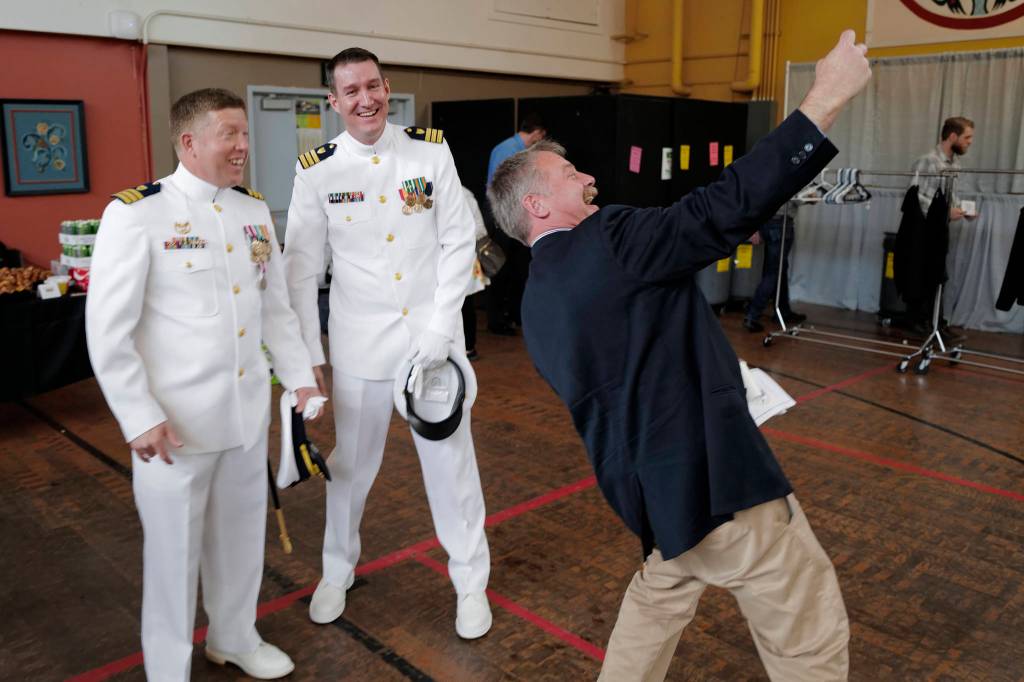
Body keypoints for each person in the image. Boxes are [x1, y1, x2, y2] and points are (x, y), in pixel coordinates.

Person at [487, 30, 872, 681]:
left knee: (657, 601)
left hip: (653, 496)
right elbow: (721, 209)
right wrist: (824, 99)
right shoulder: (611, 240)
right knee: (807, 629)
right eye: (570, 175)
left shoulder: (536, 305)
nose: (589, 178)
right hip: (718, 485)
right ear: (536, 204)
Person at [85, 88, 323, 681]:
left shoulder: (251, 211)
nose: (243, 146)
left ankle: (234, 637)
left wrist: (299, 379)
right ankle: (169, 669)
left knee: (240, 539)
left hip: (244, 417)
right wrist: (137, 414)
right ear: (189, 142)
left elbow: (275, 309)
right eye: (229, 135)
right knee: (173, 556)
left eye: (244, 133)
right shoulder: (137, 214)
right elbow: (108, 331)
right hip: (175, 427)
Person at [282, 47, 492, 639]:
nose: (365, 100)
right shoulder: (317, 170)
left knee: (451, 468)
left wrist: (440, 327)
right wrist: (309, 357)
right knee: (350, 467)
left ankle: (470, 583)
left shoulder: (430, 150)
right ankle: (336, 571)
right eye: (351, 91)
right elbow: (301, 271)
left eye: (372, 86)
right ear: (334, 101)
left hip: (432, 344)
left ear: (387, 86)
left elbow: (457, 241)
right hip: (360, 347)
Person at [905, 116, 977, 333]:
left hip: (939, 228)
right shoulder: (928, 161)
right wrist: (945, 212)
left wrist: (962, 210)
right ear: (953, 136)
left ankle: (935, 321)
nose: (970, 142)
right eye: (967, 137)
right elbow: (916, 197)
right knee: (921, 273)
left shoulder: (954, 164)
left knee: (937, 274)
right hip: (921, 228)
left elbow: (948, 195)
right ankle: (918, 321)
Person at [484, 113, 547, 336]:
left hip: (514, 215)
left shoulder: (516, 150)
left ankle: (513, 314)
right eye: (541, 136)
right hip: (503, 217)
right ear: (537, 132)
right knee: (500, 268)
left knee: (515, 267)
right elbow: (501, 189)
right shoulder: (508, 150)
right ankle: (497, 320)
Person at [743, 201, 806, 333]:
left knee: (780, 268)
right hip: (781, 223)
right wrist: (811, 197)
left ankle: (783, 312)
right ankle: (752, 316)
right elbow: (797, 198)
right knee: (773, 272)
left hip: (766, 222)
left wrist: (754, 227)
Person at [462, 185, 490, 360]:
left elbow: (480, 229)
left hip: (463, 260)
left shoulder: (465, 195)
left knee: (464, 304)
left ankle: (469, 347)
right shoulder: (432, 194)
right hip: (435, 262)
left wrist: (458, 239)